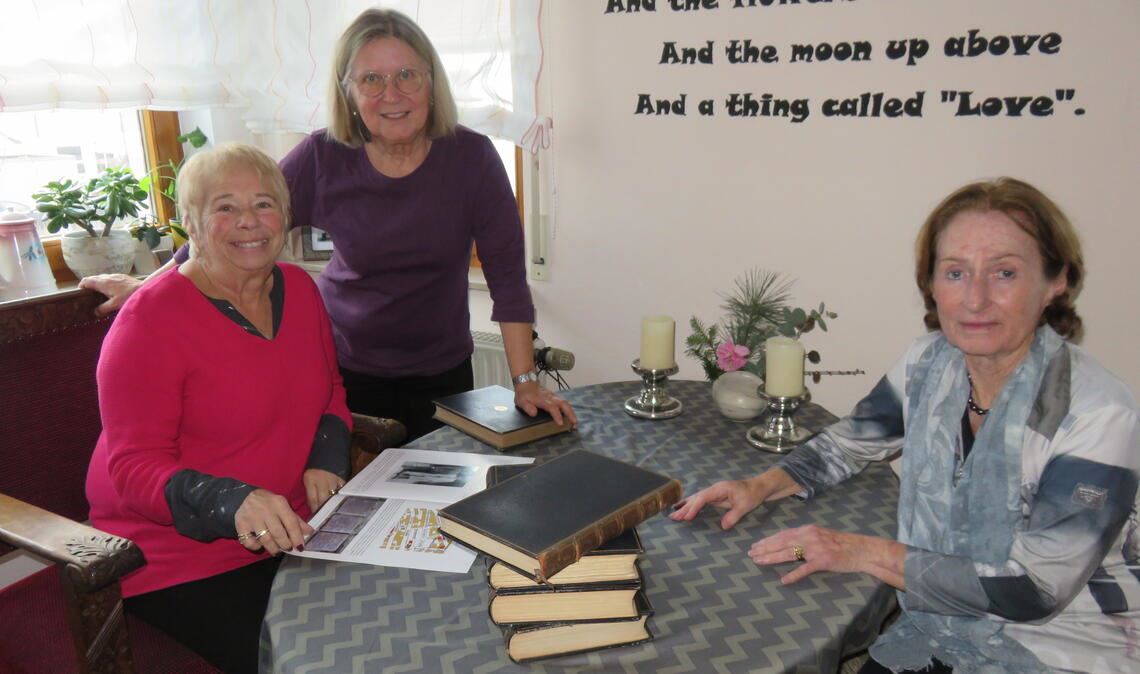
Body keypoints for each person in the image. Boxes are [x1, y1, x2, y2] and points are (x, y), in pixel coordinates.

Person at [670, 178, 1139, 674]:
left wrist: (861, 552)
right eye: (955, 273)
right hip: (941, 629)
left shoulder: (1097, 413)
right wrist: (759, 486)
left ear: (1056, 281)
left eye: (1004, 272)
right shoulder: (929, 364)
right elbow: (850, 443)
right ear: (931, 284)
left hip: (1066, 649)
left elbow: (1033, 591)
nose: (975, 299)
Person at [79, 8, 576, 441]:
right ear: (348, 91)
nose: (391, 93)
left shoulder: (471, 158)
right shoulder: (323, 156)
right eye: (371, 79)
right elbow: (237, 227)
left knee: (440, 500)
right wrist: (152, 284)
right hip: (341, 369)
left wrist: (525, 382)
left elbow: (507, 278)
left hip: (443, 372)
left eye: (407, 74)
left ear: (431, 82)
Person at [85, 144, 351, 673]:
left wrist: (326, 456)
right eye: (225, 207)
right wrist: (232, 501)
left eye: (264, 204)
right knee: (313, 661)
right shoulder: (150, 320)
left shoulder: (301, 288)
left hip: (292, 528)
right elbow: (133, 468)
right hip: (178, 556)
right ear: (190, 223)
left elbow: (331, 391)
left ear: (285, 217)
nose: (249, 221)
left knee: (382, 622)